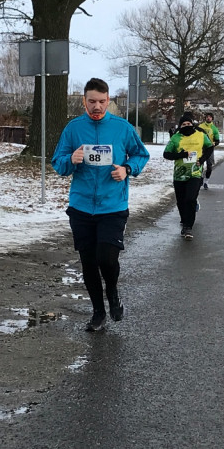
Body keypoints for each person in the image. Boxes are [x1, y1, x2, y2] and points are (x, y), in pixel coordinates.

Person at [52, 77, 150, 332]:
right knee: (88, 262)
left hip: (112, 206)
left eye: (102, 102)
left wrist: (128, 169)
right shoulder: (73, 129)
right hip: (81, 207)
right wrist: (71, 159)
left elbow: (141, 154)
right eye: (92, 101)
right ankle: (98, 312)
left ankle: (113, 292)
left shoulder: (122, 128)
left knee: (106, 258)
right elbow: (58, 163)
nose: (97, 106)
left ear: (109, 101)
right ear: (84, 100)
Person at [163, 112, 214, 240]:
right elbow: (167, 154)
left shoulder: (201, 135)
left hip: (195, 173)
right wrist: (181, 155)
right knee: (181, 201)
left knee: (190, 199)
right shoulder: (176, 137)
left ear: (193, 124)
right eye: (184, 124)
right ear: (180, 126)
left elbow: (209, 148)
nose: (187, 126)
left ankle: (188, 227)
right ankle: (184, 219)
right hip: (179, 175)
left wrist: (202, 160)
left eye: (189, 123)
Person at [197, 112, 221, 189]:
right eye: (207, 117)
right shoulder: (200, 126)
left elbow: (217, 140)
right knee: (199, 164)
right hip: (201, 148)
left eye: (210, 117)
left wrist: (215, 143)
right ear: (205, 118)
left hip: (210, 148)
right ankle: (200, 179)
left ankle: (206, 181)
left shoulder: (214, 128)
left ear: (212, 118)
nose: (208, 118)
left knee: (209, 166)